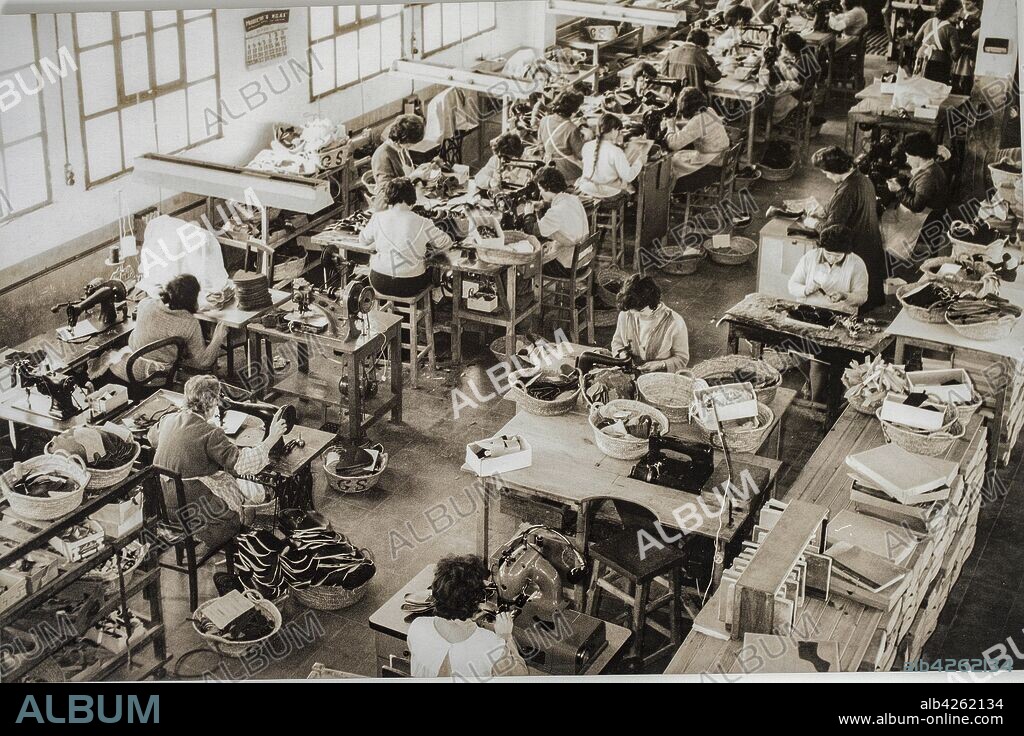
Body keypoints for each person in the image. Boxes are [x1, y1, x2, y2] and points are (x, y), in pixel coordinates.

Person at [149, 375, 287, 549]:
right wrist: (271, 438)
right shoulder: (211, 433)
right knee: (238, 512)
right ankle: (215, 535)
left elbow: (152, 438)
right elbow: (243, 464)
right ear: (214, 402)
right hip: (194, 508)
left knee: (225, 481)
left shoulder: (167, 420)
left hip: (165, 503)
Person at [407, 555, 528, 680]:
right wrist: (506, 637)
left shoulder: (417, 626)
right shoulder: (491, 645)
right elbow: (521, 678)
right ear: (477, 600)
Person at [93, 273, 230, 382]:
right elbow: (204, 362)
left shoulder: (145, 304)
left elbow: (135, 339)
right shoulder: (189, 323)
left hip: (126, 368)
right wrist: (218, 337)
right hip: (155, 377)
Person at [787, 225, 869, 401]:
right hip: (810, 315)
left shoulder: (856, 264)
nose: (832, 259)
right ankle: (813, 383)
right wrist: (806, 289)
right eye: (829, 254)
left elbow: (862, 296)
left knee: (819, 360)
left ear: (846, 252)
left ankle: (815, 401)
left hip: (840, 318)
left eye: (838, 256)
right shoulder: (810, 258)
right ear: (821, 247)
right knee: (793, 350)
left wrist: (845, 295)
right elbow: (792, 285)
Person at [813, 145, 887, 310]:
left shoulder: (846, 191)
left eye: (826, 173)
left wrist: (813, 224)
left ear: (835, 170)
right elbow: (850, 206)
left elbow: (831, 231)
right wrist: (827, 209)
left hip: (855, 251)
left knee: (848, 305)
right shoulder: (863, 179)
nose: (826, 176)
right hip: (870, 249)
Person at [360, 177, 453, 299]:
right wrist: (428, 251)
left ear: (389, 197)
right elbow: (447, 242)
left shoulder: (377, 217)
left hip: (379, 281)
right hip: (410, 284)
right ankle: (435, 302)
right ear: (412, 198)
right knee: (434, 269)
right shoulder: (423, 222)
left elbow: (363, 240)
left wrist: (380, 242)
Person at [611, 275, 689, 373]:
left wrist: (660, 364)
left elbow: (681, 359)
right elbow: (617, 343)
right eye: (632, 311)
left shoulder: (675, 322)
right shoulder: (627, 314)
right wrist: (623, 355)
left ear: (653, 304)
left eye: (641, 311)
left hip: (660, 376)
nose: (635, 315)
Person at [526, 166, 591, 278]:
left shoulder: (555, 212)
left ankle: (524, 286)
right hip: (584, 260)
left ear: (548, 188)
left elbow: (532, 230)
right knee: (545, 247)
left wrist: (528, 214)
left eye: (541, 190)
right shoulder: (573, 199)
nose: (540, 194)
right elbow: (561, 207)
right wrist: (543, 204)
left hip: (569, 267)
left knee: (526, 263)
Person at [666, 87, 731, 190]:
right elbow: (696, 128)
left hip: (711, 169)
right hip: (721, 161)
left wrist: (670, 126)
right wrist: (678, 126)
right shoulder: (709, 110)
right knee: (678, 156)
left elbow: (673, 144)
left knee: (670, 164)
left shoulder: (697, 121)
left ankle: (668, 191)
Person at [577, 113, 646, 199]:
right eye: (618, 130)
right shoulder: (615, 151)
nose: (618, 133)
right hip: (607, 192)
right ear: (613, 130)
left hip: (587, 188)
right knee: (632, 189)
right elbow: (628, 176)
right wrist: (640, 161)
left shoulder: (586, 146)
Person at [370, 114, 426, 211]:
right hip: (389, 207)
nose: (412, 145)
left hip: (405, 201)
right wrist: (412, 177)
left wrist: (421, 171)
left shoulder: (402, 148)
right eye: (410, 143)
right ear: (403, 138)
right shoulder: (382, 155)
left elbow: (406, 170)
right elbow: (387, 190)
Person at [537, 89, 589, 184]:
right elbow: (581, 155)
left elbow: (540, 145)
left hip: (549, 168)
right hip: (568, 172)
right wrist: (587, 138)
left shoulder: (544, 120)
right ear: (574, 110)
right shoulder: (572, 128)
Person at [772, 32, 818, 123]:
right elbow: (799, 72)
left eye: (784, 48)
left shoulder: (804, 59)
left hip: (799, 95)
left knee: (771, 99)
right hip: (804, 90)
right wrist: (789, 63)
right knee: (775, 90)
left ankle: (769, 123)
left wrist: (781, 63)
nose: (783, 50)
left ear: (791, 49)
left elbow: (791, 77)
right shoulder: (803, 55)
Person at [914, 0, 963, 84]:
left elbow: (916, 39)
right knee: (936, 89)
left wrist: (926, 45)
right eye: (958, 11)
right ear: (952, 12)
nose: (958, 15)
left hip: (921, 57)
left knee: (919, 86)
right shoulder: (951, 29)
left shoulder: (928, 21)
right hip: (939, 63)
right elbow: (956, 53)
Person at [660, 28, 722, 93]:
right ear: (701, 45)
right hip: (694, 96)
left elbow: (664, 76)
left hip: (673, 96)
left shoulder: (671, 52)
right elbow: (716, 77)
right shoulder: (702, 54)